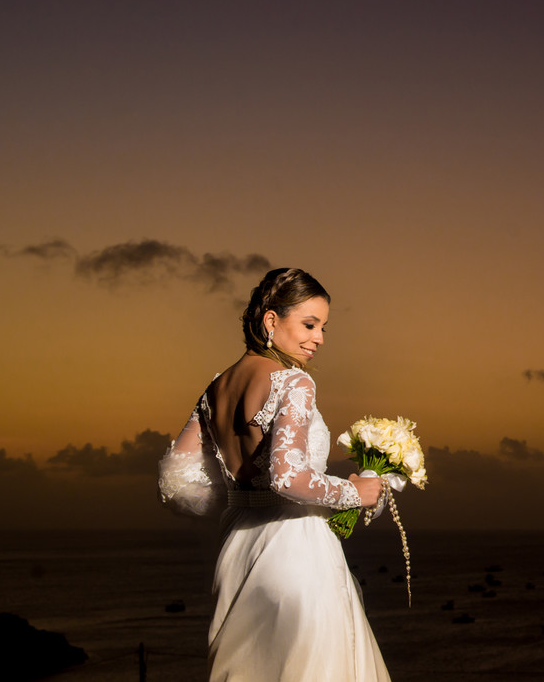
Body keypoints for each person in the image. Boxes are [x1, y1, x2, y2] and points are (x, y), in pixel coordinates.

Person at [158, 268, 391, 681]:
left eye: (323, 327)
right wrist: (356, 492)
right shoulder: (293, 382)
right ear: (271, 320)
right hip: (295, 549)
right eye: (309, 324)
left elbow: (173, 482)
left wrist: (242, 499)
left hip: (238, 545)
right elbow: (287, 478)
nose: (319, 338)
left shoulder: (217, 387)